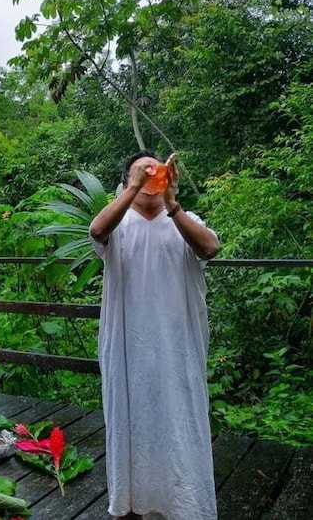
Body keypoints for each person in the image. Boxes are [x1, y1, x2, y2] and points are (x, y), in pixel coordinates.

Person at [88, 150, 220, 520]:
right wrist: (132, 189)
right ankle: (131, 503)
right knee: (130, 422)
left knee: (181, 421)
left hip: (177, 348)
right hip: (127, 349)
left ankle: (185, 506)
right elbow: (96, 231)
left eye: (155, 171)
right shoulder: (119, 225)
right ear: (126, 182)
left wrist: (173, 203)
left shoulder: (183, 220)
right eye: (139, 173)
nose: (149, 177)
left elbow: (210, 247)